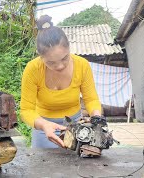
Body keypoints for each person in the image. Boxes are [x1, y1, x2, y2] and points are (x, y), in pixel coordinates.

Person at [20, 15, 102, 148]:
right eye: (51, 62)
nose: (60, 66)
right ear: (41, 57)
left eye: (65, 58)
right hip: (43, 129)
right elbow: (26, 110)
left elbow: (91, 99)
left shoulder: (82, 65)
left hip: (76, 128)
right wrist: (44, 125)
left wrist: (96, 116)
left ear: (69, 48)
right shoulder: (33, 69)